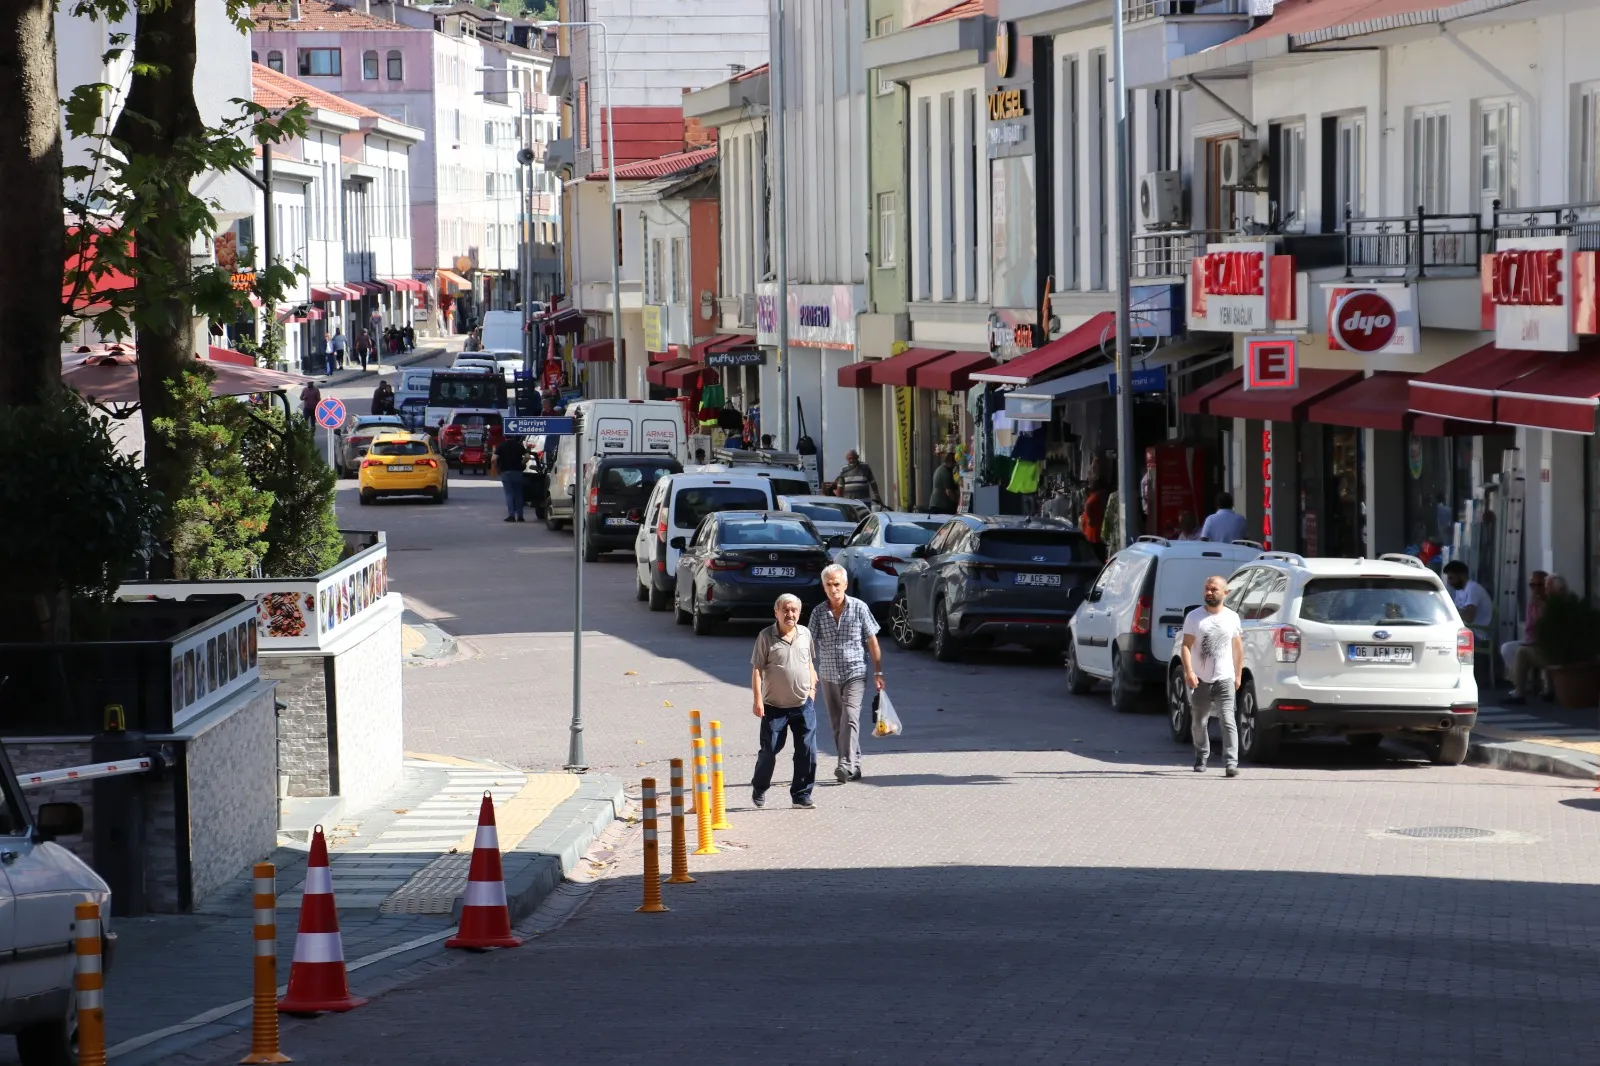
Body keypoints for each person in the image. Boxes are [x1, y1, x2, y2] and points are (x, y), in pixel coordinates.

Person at [810, 565, 884, 785]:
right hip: (828, 674)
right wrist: (809, 669)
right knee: (837, 723)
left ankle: (844, 764)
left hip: (855, 672)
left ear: (845, 585)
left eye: (836, 584)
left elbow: (872, 641)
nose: (833, 589)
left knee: (850, 716)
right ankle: (855, 764)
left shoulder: (859, 608)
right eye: (828, 585)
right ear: (823, 587)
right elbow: (809, 644)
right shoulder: (818, 612)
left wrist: (878, 671)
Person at [750, 594, 818, 809]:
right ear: (776, 613)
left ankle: (801, 794)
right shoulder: (766, 636)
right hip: (774, 707)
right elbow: (758, 669)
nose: (790, 614)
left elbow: (809, 665)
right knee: (769, 750)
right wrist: (758, 700)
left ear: (799, 613)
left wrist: (812, 689)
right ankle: (759, 787)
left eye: (794, 610)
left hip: (803, 705)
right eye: (785, 610)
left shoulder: (805, 634)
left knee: (807, 750)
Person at [1182, 574, 1244, 777]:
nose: (1209, 592)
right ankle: (1201, 755)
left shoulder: (1232, 617)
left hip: (1224, 678)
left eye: (1214, 589)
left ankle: (1231, 763)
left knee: (1228, 720)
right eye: (1206, 588)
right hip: (1200, 679)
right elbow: (1186, 646)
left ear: (1225, 593)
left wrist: (1238, 674)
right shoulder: (1194, 617)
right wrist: (1189, 671)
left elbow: (1237, 648)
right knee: (1199, 722)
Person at [1507, 573, 1569, 704]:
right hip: (1541, 645)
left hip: (1556, 651)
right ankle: (1532, 685)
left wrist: (1542, 609)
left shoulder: (1556, 605)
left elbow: (1550, 630)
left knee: (1521, 652)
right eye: (1532, 585)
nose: (1539, 589)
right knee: (1511, 648)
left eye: (1544, 587)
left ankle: (1520, 692)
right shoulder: (1537, 603)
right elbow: (1530, 628)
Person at [1444, 560, 1493, 644]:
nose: (1449, 582)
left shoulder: (1473, 589)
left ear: (1461, 575)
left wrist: (1451, 611)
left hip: (1477, 635)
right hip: (1466, 629)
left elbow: (1468, 617)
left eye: (1451, 578)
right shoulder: (1460, 590)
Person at [493, 432, 526, 522]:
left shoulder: (501, 446)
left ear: (505, 436)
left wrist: (497, 468)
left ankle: (511, 515)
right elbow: (527, 456)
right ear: (514, 436)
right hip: (518, 472)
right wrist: (523, 464)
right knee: (518, 494)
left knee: (509, 494)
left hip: (506, 472)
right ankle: (520, 516)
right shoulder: (519, 445)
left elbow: (493, 459)